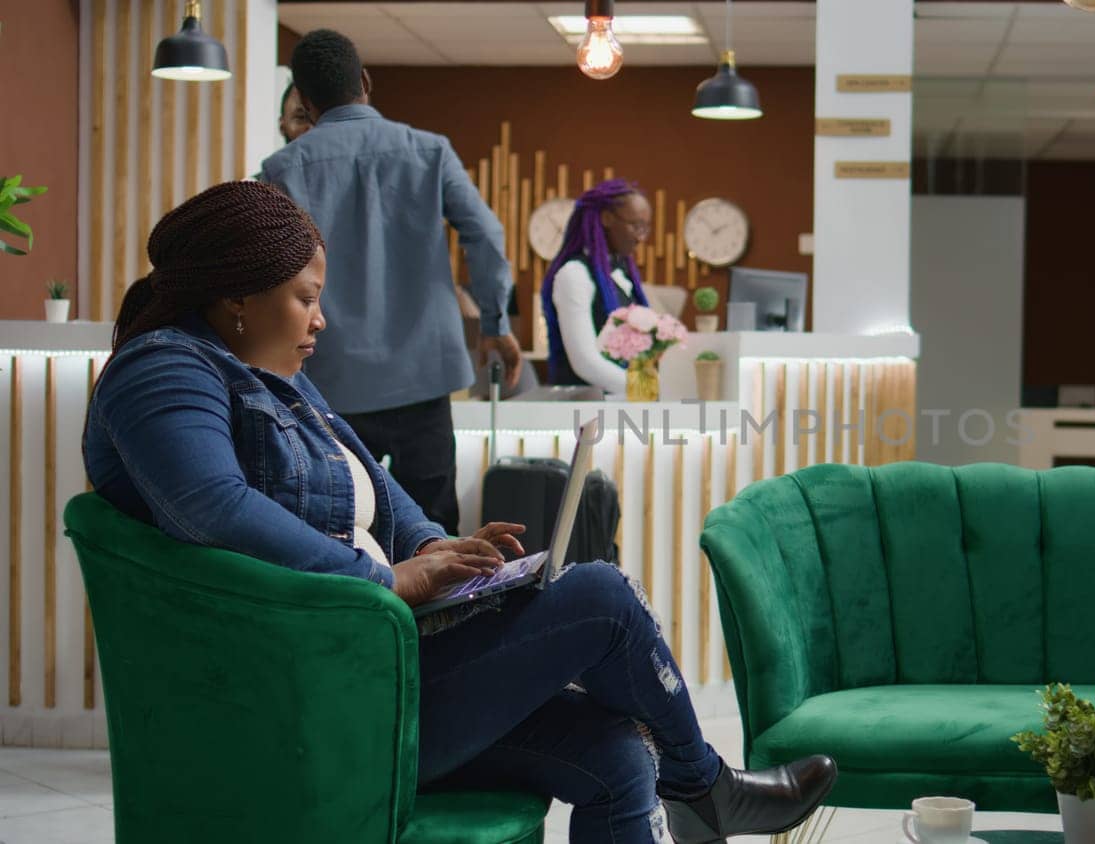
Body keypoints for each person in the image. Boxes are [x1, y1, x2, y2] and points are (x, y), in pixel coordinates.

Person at [82, 181, 836, 844]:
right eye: (306, 299)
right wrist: (387, 580)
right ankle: (705, 788)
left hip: (369, 672)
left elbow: (380, 491)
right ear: (234, 297)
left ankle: (699, 789)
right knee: (600, 597)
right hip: (307, 705)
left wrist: (444, 550)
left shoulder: (273, 376)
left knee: (614, 750)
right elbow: (212, 507)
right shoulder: (162, 368)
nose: (321, 320)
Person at [261, 29, 522, 535]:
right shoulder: (430, 151)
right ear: (364, 81)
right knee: (434, 534)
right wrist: (494, 322)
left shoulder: (282, 169)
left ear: (305, 101)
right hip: (423, 380)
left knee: (340, 530)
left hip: (328, 383)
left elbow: (267, 271)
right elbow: (487, 234)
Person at [541, 180, 654, 395]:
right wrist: (648, 390)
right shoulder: (574, 274)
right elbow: (585, 362)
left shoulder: (620, 274)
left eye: (645, 228)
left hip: (614, 407)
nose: (641, 237)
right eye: (636, 226)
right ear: (607, 218)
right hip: (579, 413)